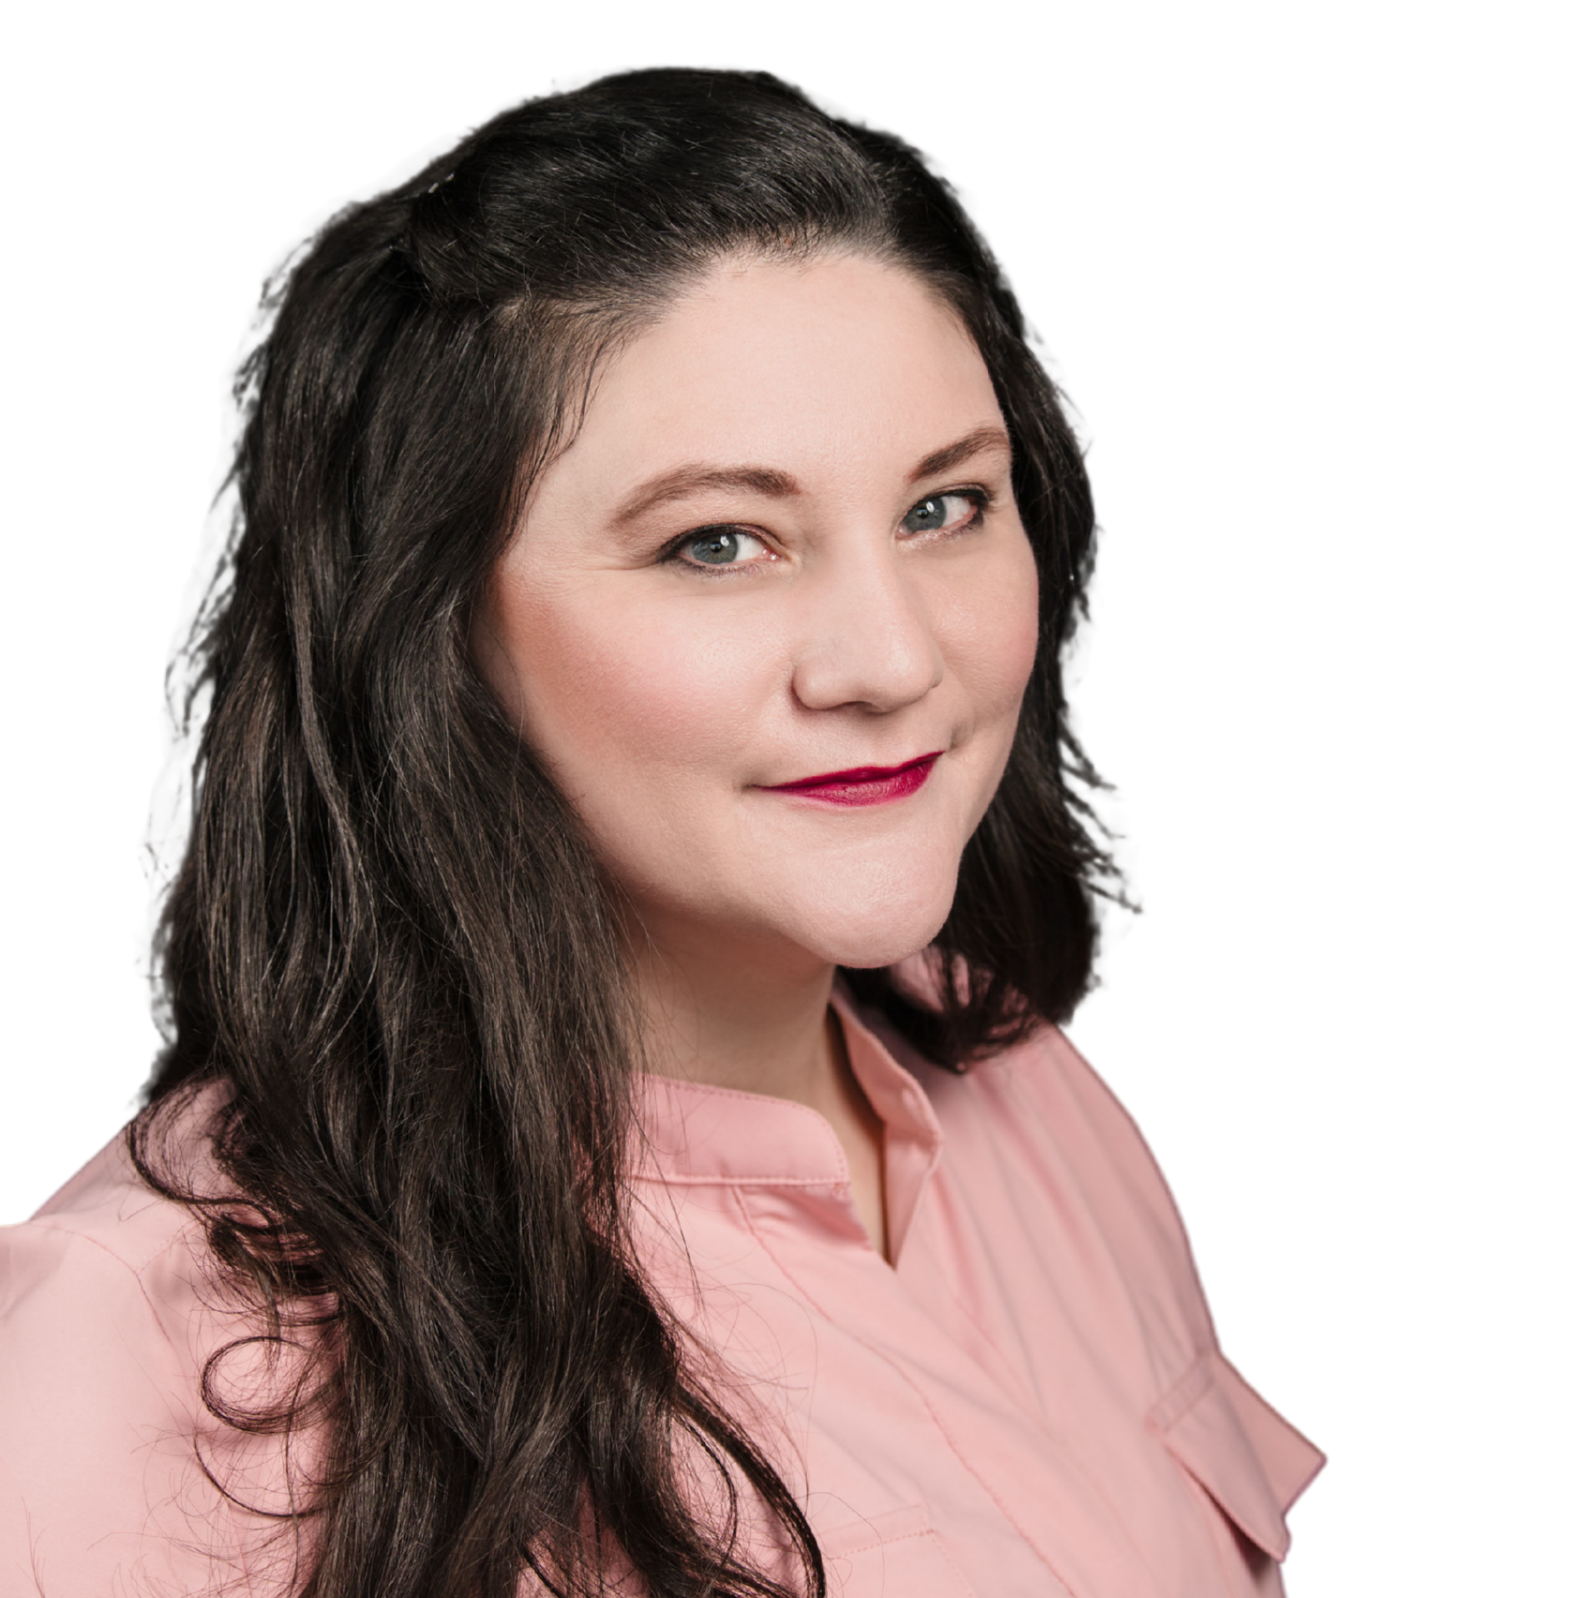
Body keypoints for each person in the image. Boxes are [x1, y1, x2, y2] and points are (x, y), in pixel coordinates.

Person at [0, 64, 1327, 1598]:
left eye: (944, 507)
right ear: (432, 626)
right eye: (718, 541)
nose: (893, 660)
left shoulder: (1039, 1090)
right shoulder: (146, 1353)